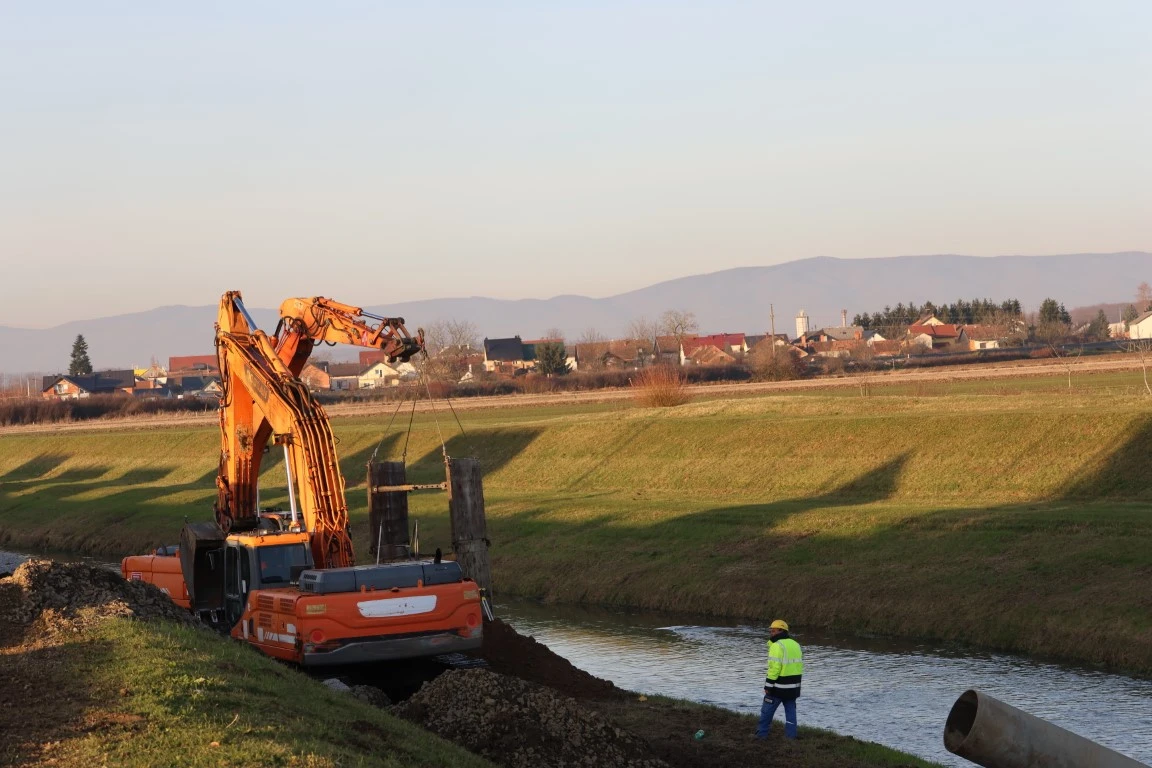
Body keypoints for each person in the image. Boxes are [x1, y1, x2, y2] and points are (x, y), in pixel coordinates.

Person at [756, 619, 803, 740]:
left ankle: (761, 735)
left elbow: (774, 668)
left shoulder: (777, 645)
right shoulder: (795, 644)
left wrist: (768, 686)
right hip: (793, 687)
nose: (771, 632)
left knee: (766, 711)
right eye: (771, 629)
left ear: (781, 630)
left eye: (774, 630)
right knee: (791, 713)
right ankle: (791, 737)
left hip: (778, 687)